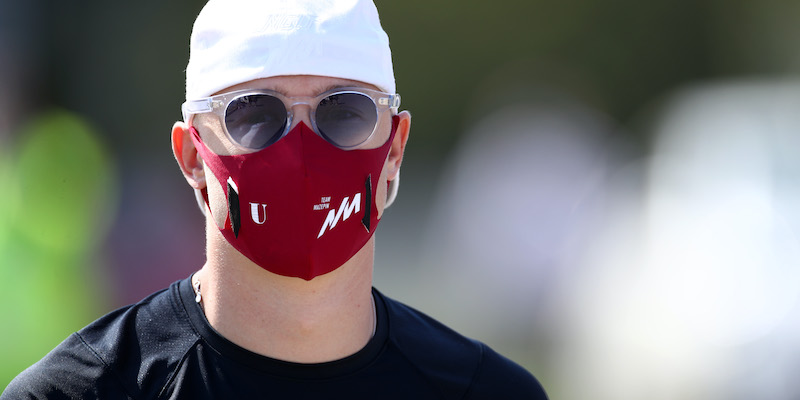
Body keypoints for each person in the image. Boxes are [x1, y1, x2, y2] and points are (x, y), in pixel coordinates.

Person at [2, 1, 548, 398]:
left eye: (345, 112)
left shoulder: (488, 392)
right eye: (256, 114)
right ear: (193, 155)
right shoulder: (78, 394)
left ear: (395, 151)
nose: (302, 151)